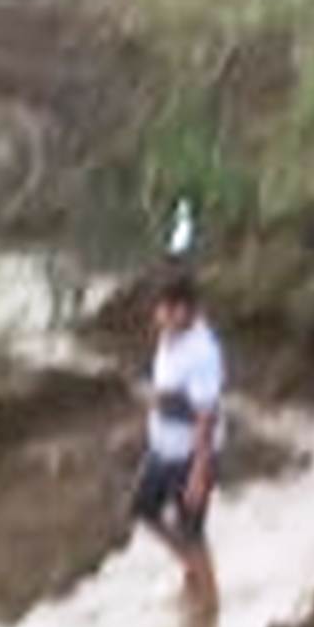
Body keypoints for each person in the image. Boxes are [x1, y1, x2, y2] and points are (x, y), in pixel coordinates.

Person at [131, 258, 226, 602]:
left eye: (174, 310)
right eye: (162, 309)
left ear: (191, 310)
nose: (165, 317)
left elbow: (206, 415)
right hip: (164, 447)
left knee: (192, 530)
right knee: (143, 508)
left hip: (192, 454)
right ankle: (191, 571)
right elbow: (171, 389)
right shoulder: (169, 338)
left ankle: (209, 603)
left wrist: (199, 475)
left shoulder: (203, 352)